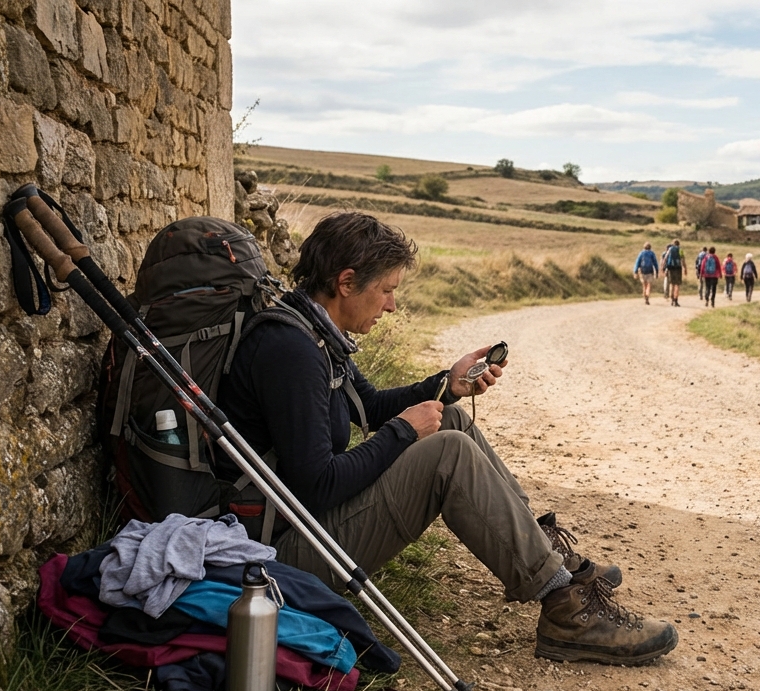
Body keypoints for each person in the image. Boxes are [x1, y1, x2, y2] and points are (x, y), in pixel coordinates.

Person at [218, 212, 677, 666]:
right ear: (346, 282)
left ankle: (543, 549)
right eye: (387, 290)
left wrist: (447, 383)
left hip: (303, 530)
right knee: (447, 454)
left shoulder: (312, 330)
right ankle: (565, 610)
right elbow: (315, 485)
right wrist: (404, 431)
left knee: (450, 420)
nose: (392, 306)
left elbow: (371, 407)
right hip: (276, 558)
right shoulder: (292, 351)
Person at [663, 239, 684, 306]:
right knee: (677, 285)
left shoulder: (670, 249)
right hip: (678, 268)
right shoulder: (680, 250)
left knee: (672, 284)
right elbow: (682, 259)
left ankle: (672, 300)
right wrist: (685, 268)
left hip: (670, 268)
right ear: (679, 244)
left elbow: (665, 258)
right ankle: (676, 300)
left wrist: (663, 267)